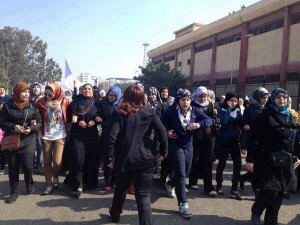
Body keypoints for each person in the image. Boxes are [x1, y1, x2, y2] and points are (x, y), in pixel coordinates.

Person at [108, 85, 168, 225]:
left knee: (120, 190)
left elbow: (112, 137)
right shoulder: (150, 112)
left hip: (124, 159)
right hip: (145, 159)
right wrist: (163, 152)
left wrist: (110, 157)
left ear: (126, 96)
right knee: (143, 196)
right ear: (142, 97)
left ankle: (115, 215)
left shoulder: (120, 112)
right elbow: (162, 132)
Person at [246, 88, 300, 225]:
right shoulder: (265, 115)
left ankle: (272, 219)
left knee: (280, 191)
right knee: (270, 190)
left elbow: (293, 140)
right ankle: (257, 210)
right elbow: (254, 138)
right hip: (266, 159)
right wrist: (250, 159)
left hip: (285, 161)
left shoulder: (290, 116)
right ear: (273, 99)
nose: (281, 99)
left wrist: (296, 156)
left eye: (284, 97)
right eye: (278, 97)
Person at [162, 88, 212, 218]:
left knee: (187, 171)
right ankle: (183, 204)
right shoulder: (171, 111)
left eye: (188, 100)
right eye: (183, 100)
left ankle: (170, 183)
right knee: (180, 173)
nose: (185, 102)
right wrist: (167, 131)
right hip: (175, 145)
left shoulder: (195, 111)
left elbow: (209, 120)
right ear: (178, 101)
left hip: (188, 145)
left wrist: (198, 125)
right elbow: (161, 123)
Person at [0, 82, 41, 204]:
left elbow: (39, 121)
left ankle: (29, 181)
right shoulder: (8, 106)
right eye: (24, 92)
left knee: (28, 166)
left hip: (28, 139)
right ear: (17, 92)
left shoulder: (32, 105)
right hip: (12, 140)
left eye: (28, 92)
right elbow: (1, 121)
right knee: (13, 168)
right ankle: (14, 191)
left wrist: (31, 128)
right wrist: (13, 127)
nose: (27, 94)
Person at [65, 83, 101, 198]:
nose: (87, 91)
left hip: (91, 134)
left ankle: (89, 182)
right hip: (77, 134)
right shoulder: (74, 103)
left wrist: (95, 121)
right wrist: (76, 120)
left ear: (92, 91)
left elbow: (100, 115)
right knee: (79, 158)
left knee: (90, 158)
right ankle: (77, 184)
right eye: (85, 89)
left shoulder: (96, 103)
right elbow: (68, 115)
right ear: (81, 90)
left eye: (89, 89)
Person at [35, 82, 69, 195]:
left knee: (57, 162)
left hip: (60, 135)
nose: (48, 97)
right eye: (46, 94)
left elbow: (72, 112)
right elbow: (34, 114)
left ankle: (55, 176)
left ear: (57, 92)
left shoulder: (64, 101)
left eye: (50, 95)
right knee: (47, 161)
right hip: (46, 135)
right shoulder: (41, 102)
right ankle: (48, 185)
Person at [188, 86, 217, 196]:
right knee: (194, 159)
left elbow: (212, 119)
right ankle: (192, 181)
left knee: (207, 161)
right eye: (201, 96)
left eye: (205, 96)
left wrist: (211, 126)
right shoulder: (192, 104)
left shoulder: (210, 105)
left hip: (207, 137)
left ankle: (208, 187)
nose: (203, 98)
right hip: (195, 136)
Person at [240, 87, 269, 191]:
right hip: (253, 141)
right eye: (263, 97)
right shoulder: (250, 108)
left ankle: (243, 178)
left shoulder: (267, 108)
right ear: (257, 97)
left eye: (266, 97)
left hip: (264, 141)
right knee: (254, 166)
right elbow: (245, 126)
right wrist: (243, 144)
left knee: (259, 166)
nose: (265, 100)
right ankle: (257, 191)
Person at [215, 92, 243, 200]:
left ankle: (234, 189)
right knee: (222, 163)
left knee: (238, 165)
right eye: (231, 100)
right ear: (227, 101)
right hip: (223, 141)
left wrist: (244, 125)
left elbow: (240, 124)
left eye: (236, 101)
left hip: (234, 142)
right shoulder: (222, 110)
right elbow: (224, 121)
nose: (234, 103)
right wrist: (229, 109)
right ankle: (219, 185)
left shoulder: (238, 111)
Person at [97, 86, 122, 191]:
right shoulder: (102, 103)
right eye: (109, 95)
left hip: (119, 135)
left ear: (118, 96)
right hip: (106, 134)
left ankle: (114, 180)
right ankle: (107, 181)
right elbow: (97, 113)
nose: (111, 97)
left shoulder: (121, 105)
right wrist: (97, 117)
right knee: (108, 157)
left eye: (113, 95)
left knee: (117, 157)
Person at [29, 82, 44, 174]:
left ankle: (38, 166)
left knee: (40, 147)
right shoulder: (28, 99)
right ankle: (30, 165)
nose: (35, 88)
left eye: (37, 87)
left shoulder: (43, 99)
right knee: (31, 146)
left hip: (41, 125)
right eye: (34, 87)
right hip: (30, 125)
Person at [0, 86, 11, 175]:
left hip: (4, 130)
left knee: (3, 148)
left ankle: (3, 167)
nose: (1, 91)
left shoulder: (8, 99)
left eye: (2, 89)